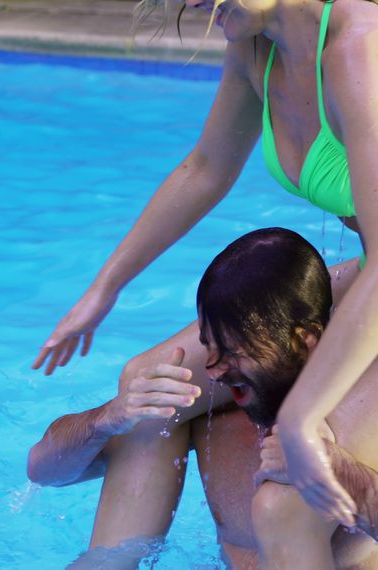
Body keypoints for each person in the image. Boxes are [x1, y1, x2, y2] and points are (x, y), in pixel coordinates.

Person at [33, 0, 378, 537]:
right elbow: (205, 168)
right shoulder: (256, 46)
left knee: (288, 495)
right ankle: (113, 559)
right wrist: (105, 289)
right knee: (150, 383)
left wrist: (301, 419)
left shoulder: (360, 48)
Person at [28, 228, 378, 568]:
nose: (214, 370)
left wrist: (339, 473)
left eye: (235, 352)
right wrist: (106, 419)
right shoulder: (205, 410)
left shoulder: (363, 415)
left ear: (305, 341)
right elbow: (42, 471)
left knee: (286, 500)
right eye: (210, 348)